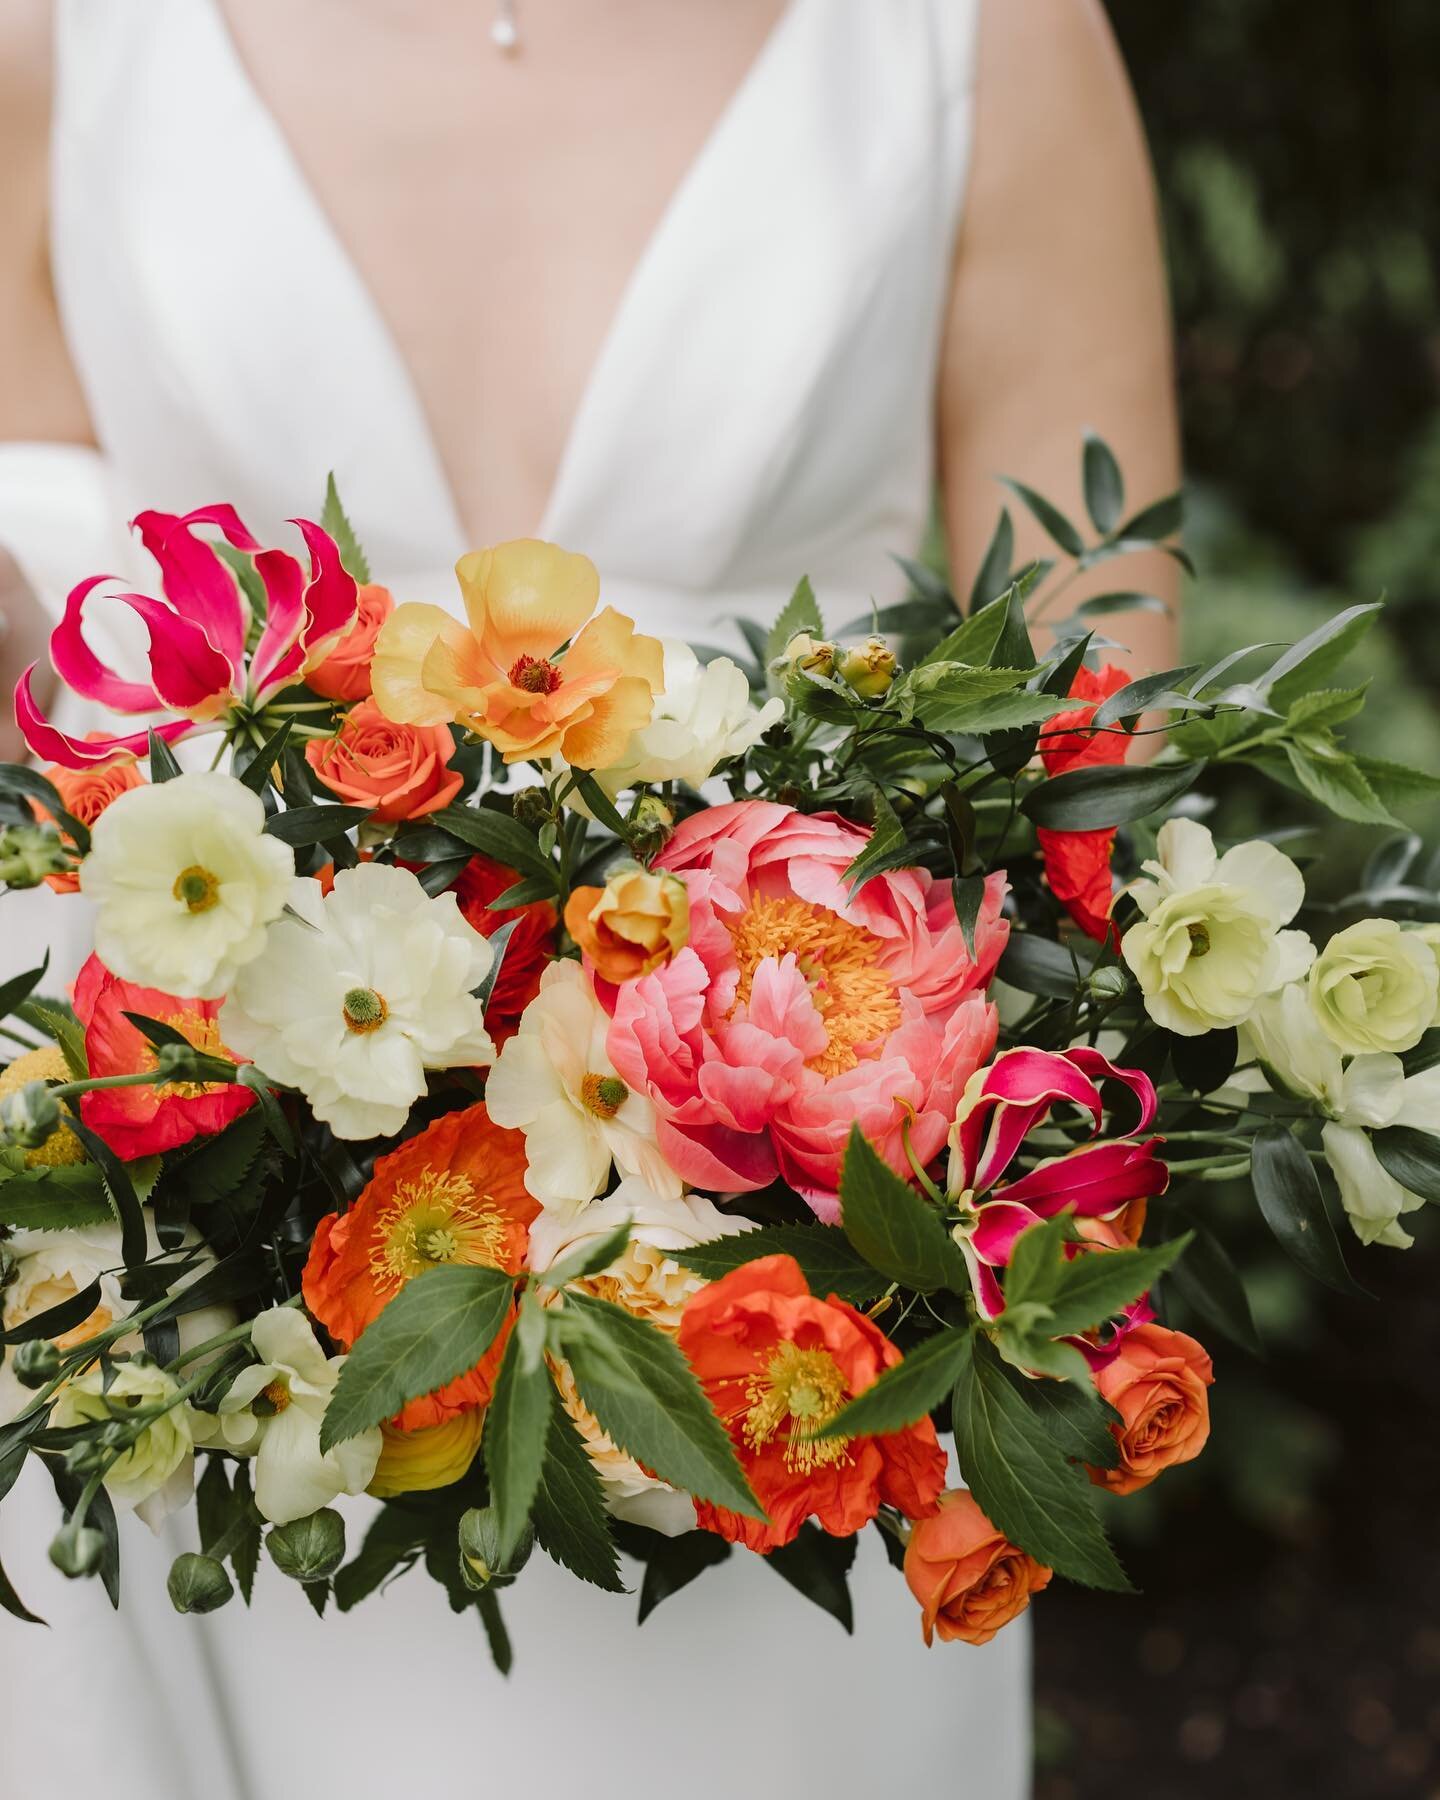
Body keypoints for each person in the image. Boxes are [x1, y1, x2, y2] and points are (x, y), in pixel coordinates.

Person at [0, 4, 1179, 1797]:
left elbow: (1103, 733)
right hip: (246, 1314)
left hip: (799, 1292)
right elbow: (59, 647)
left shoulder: (978, 33)